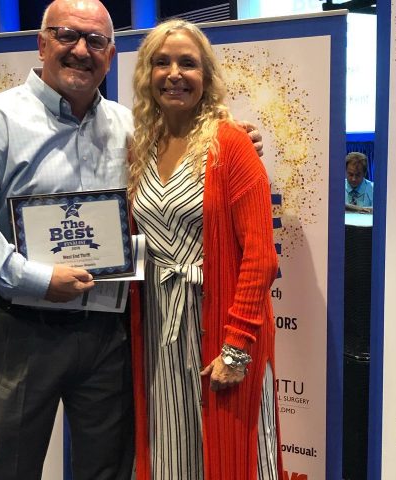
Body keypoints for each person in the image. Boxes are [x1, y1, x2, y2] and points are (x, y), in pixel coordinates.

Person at [0, 1, 266, 478]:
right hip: (23, 329)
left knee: (108, 470)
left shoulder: (130, 127)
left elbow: (184, 161)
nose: (81, 50)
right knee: (9, 469)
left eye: (96, 41)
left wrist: (231, 140)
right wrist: (35, 278)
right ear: (42, 43)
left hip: (111, 333)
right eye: (67, 35)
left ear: (111, 55)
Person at [128, 19, 283, 480]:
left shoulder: (230, 144)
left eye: (188, 64)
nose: (174, 74)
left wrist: (236, 347)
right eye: (162, 62)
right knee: (171, 449)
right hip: (159, 327)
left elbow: (260, 256)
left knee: (231, 454)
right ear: (147, 74)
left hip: (220, 328)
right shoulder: (142, 146)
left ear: (206, 76)